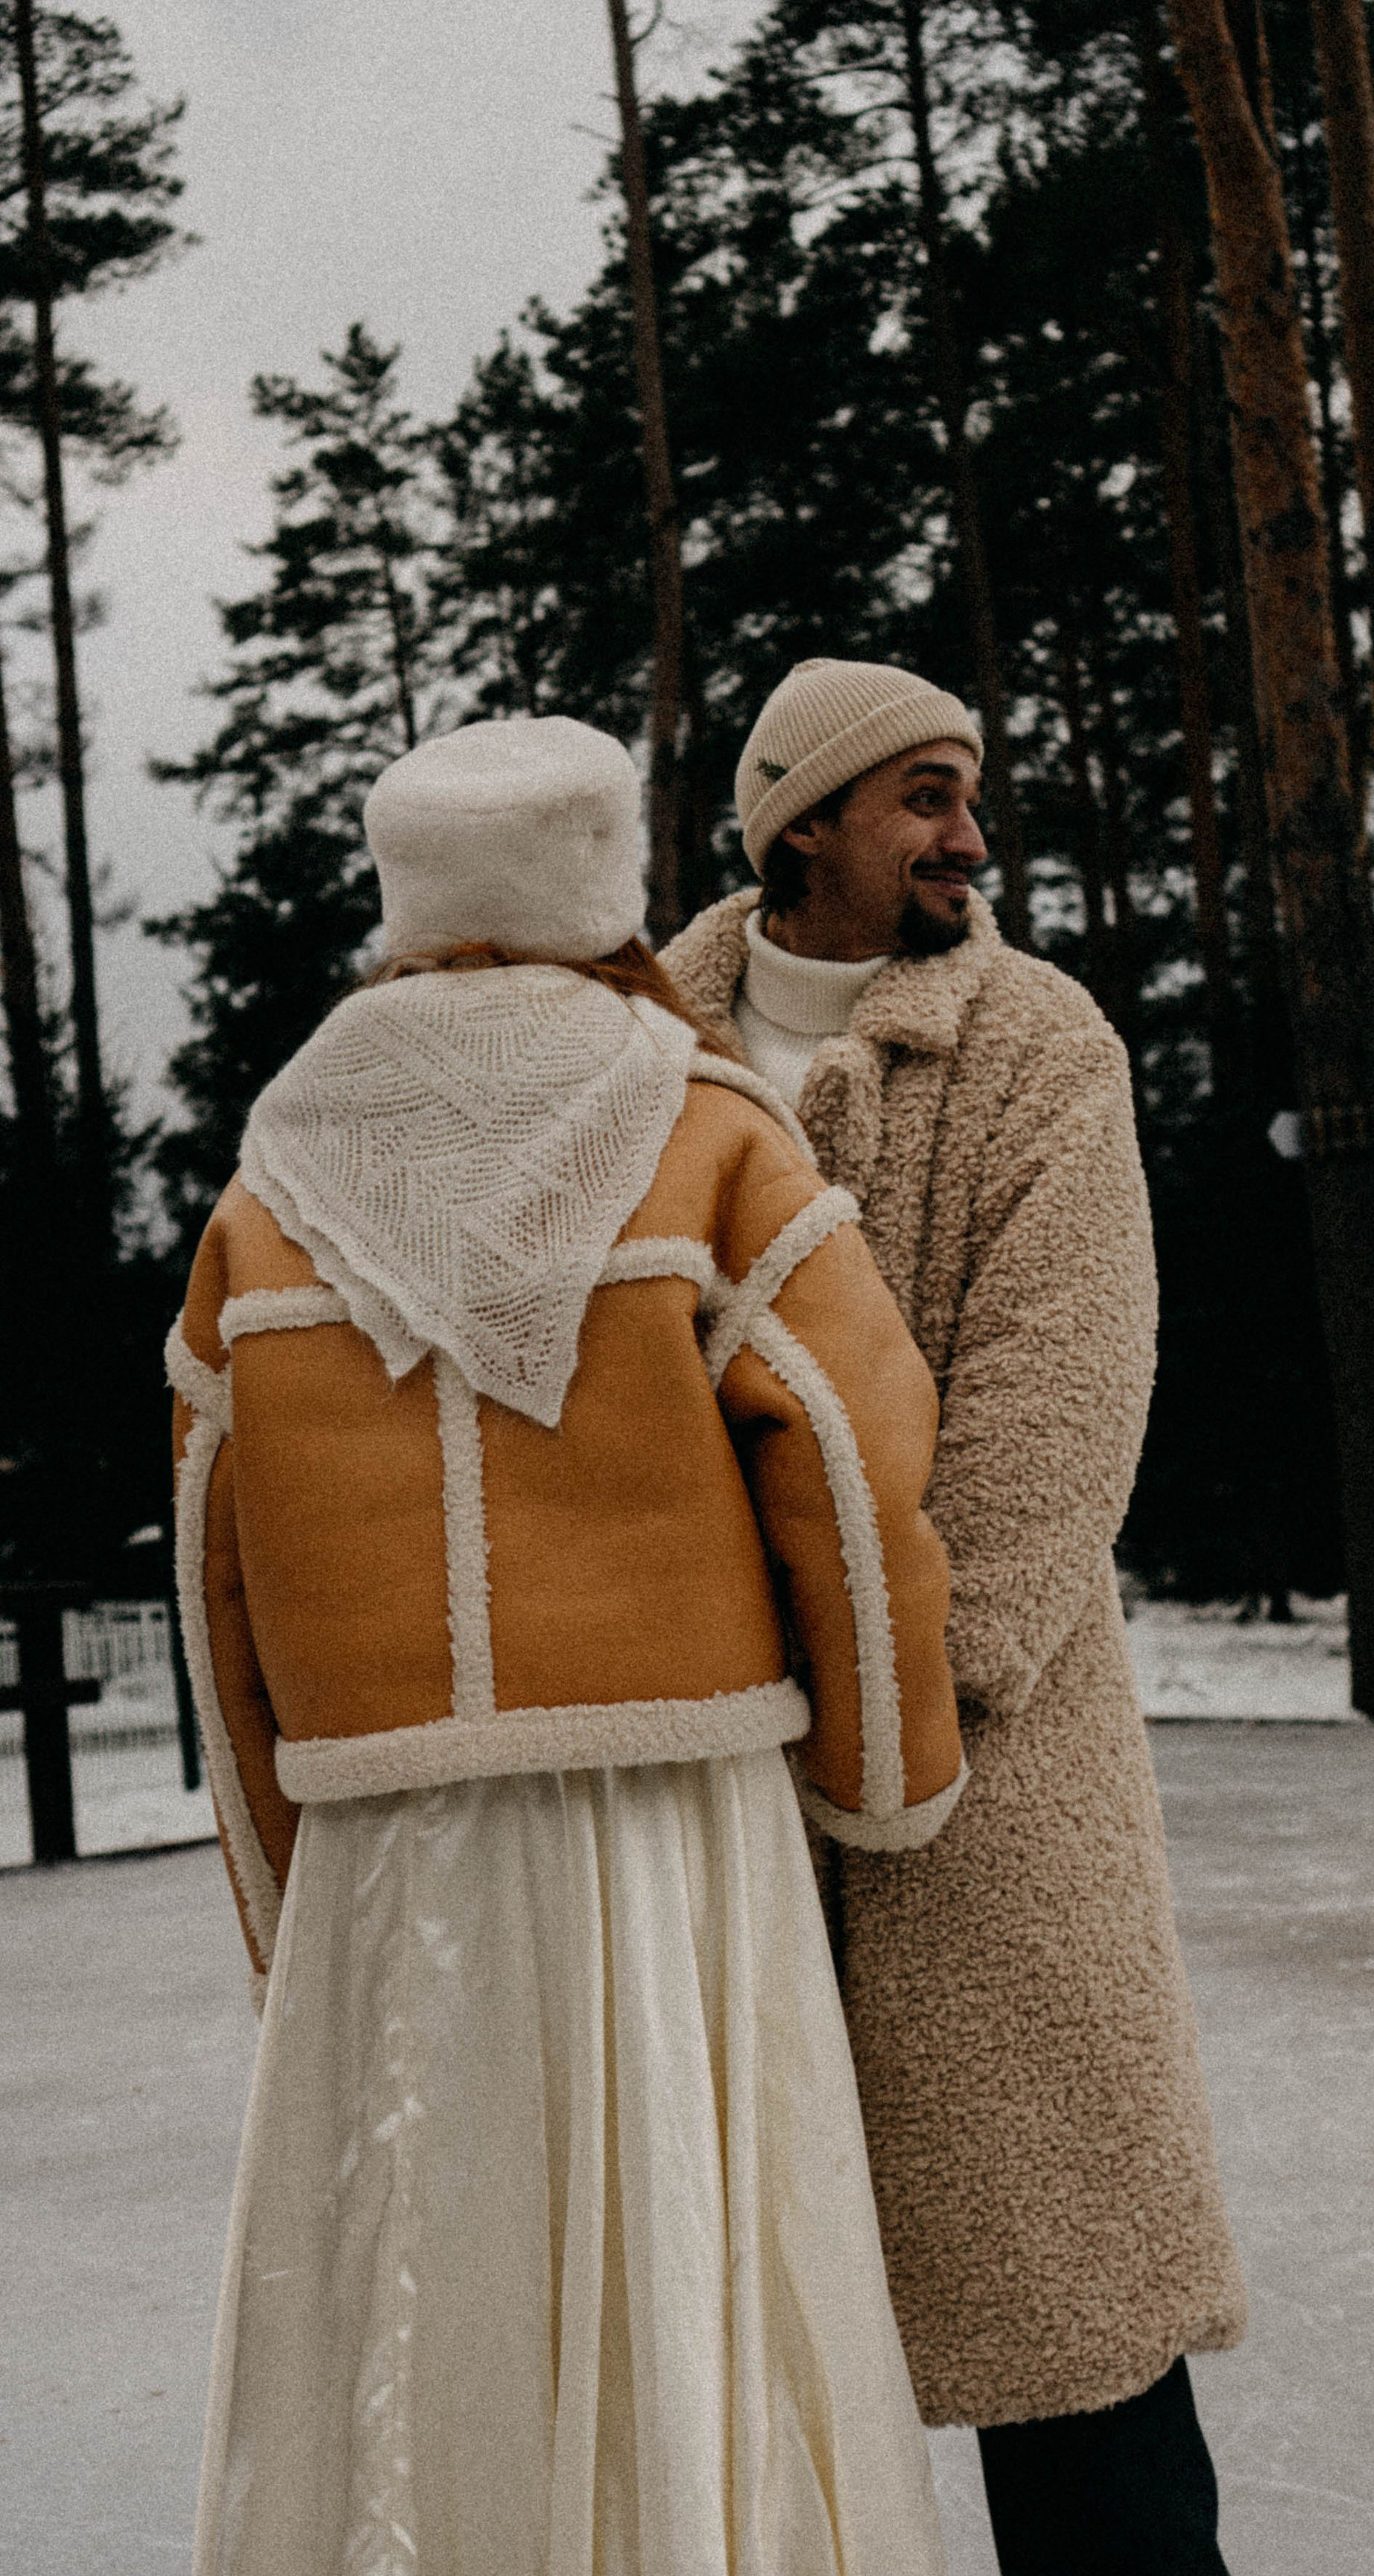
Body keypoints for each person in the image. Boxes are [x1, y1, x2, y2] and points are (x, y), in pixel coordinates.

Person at [170, 715, 966, 2576]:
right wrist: (882, 1780)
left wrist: (289, 1891)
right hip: (664, 1835)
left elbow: (214, 1572)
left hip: (387, 1857)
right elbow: (850, 1463)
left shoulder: (270, 1178)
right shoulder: (700, 1127)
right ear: (603, 881)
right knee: (695, 2277)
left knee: (417, 2306)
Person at [664, 658, 1248, 2576]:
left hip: (987, 1776)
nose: (968, 835)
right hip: (704, 1765)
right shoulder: (633, 1052)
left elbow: (1059, 1398)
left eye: (967, 792)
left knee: (1067, 2308)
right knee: (729, 2330)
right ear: (799, 824)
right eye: (920, 796)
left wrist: (925, 1675)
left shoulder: (1031, 1039)